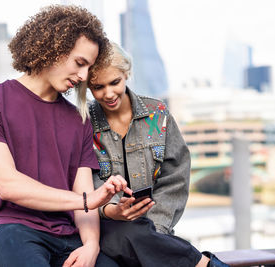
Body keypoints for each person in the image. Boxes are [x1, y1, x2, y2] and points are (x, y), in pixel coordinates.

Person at [0, 6, 131, 267]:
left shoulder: (79, 120)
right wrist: (87, 201)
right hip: (9, 230)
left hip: (66, 236)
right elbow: (8, 186)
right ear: (53, 48)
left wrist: (92, 245)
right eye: (80, 63)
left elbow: (83, 190)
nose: (84, 76)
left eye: (89, 68)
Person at [76, 42, 229, 267]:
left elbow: (175, 179)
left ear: (126, 73)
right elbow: (85, 183)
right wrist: (111, 211)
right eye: (98, 87)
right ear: (88, 87)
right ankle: (204, 264)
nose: (108, 93)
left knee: (136, 234)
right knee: (128, 233)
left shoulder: (157, 114)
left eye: (115, 82)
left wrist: (155, 231)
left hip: (152, 233)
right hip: (105, 225)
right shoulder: (83, 123)